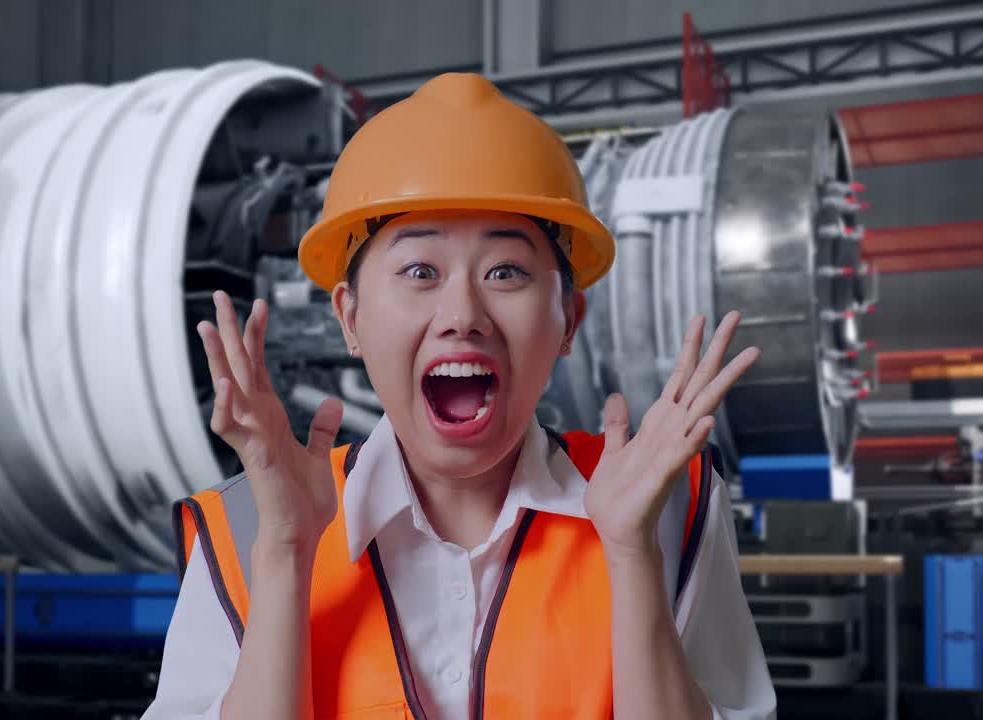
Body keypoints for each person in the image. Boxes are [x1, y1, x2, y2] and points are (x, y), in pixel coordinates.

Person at [142, 73, 776, 720]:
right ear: (349, 319)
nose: (462, 314)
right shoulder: (249, 526)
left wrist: (633, 555)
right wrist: (283, 551)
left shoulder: (670, 509)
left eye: (507, 272)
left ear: (569, 320)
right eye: (420, 271)